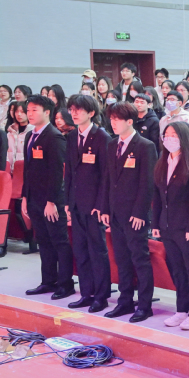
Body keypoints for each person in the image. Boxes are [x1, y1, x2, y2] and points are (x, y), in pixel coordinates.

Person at [95, 102, 157, 322]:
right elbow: (107, 178)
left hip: (135, 214)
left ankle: (145, 305)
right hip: (115, 212)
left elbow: (147, 184)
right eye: (111, 119)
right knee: (122, 259)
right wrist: (104, 207)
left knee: (140, 259)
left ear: (130, 121)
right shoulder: (113, 144)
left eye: (117, 119)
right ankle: (125, 301)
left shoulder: (145, 146)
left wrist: (140, 213)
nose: (113, 123)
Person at [152, 121, 189, 330]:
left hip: (185, 227)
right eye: (166, 134)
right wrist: (156, 222)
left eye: (174, 134)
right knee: (177, 269)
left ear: (183, 137)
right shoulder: (163, 160)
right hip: (167, 224)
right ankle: (181, 309)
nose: (169, 138)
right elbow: (158, 195)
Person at [22, 95, 74, 299]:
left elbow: (57, 172)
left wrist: (51, 201)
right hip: (33, 198)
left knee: (59, 241)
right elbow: (27, 170)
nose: (30, 114)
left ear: (47, 112)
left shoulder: (54, 137)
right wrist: (25, 197)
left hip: (51, 201)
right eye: (28, 110)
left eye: (34, 110)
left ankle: (66, 284)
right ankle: (48, 281)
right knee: (43, 241)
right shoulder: (30, 135)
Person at [63, 95, 111, 313]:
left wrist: (101, 205)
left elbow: (105, 176)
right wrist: (67, 201)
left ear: (91, 113)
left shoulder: (102, 137)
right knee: (80, 250)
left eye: (79, 110)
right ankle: (86, 293)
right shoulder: (72, 136)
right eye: (72, 110)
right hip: (76, 203)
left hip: (94, 205)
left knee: (97, 251)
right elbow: (69, 173)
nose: (74, 114)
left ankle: (101, 296)